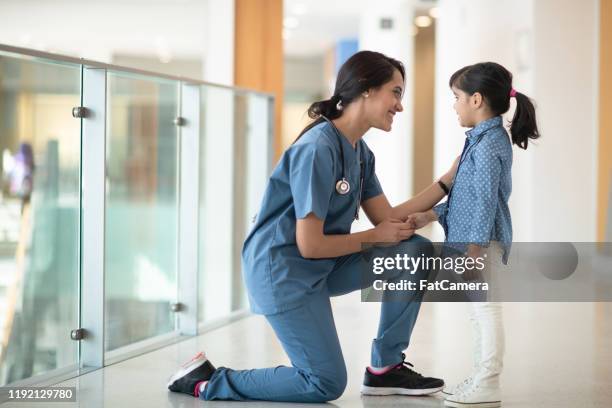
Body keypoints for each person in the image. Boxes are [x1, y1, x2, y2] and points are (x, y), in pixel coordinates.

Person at [167, 50, 459, 403]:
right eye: (395, 92)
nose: (399, 105)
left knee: (414, 251)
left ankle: (386, 369)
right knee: (324, 383)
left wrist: (448, 180)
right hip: (284, 273)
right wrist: (375, 236)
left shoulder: (360, 152)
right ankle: (206, 382)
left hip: (322, 265)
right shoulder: (317, 148)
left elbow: (388, 219)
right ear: (366, 89)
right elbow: (310, 245)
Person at [408, 62, 541, 408]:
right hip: (473, 242)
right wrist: (431, 213)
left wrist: (475, 249)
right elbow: (466, 196)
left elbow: (483, 202)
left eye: (456, 97)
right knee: (478, 313)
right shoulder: (480, 141)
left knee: (486, 312)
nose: (454, 105)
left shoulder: (487, 145)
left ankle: (488, 382)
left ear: (477, 99)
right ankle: (481, 377)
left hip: (480, 244)